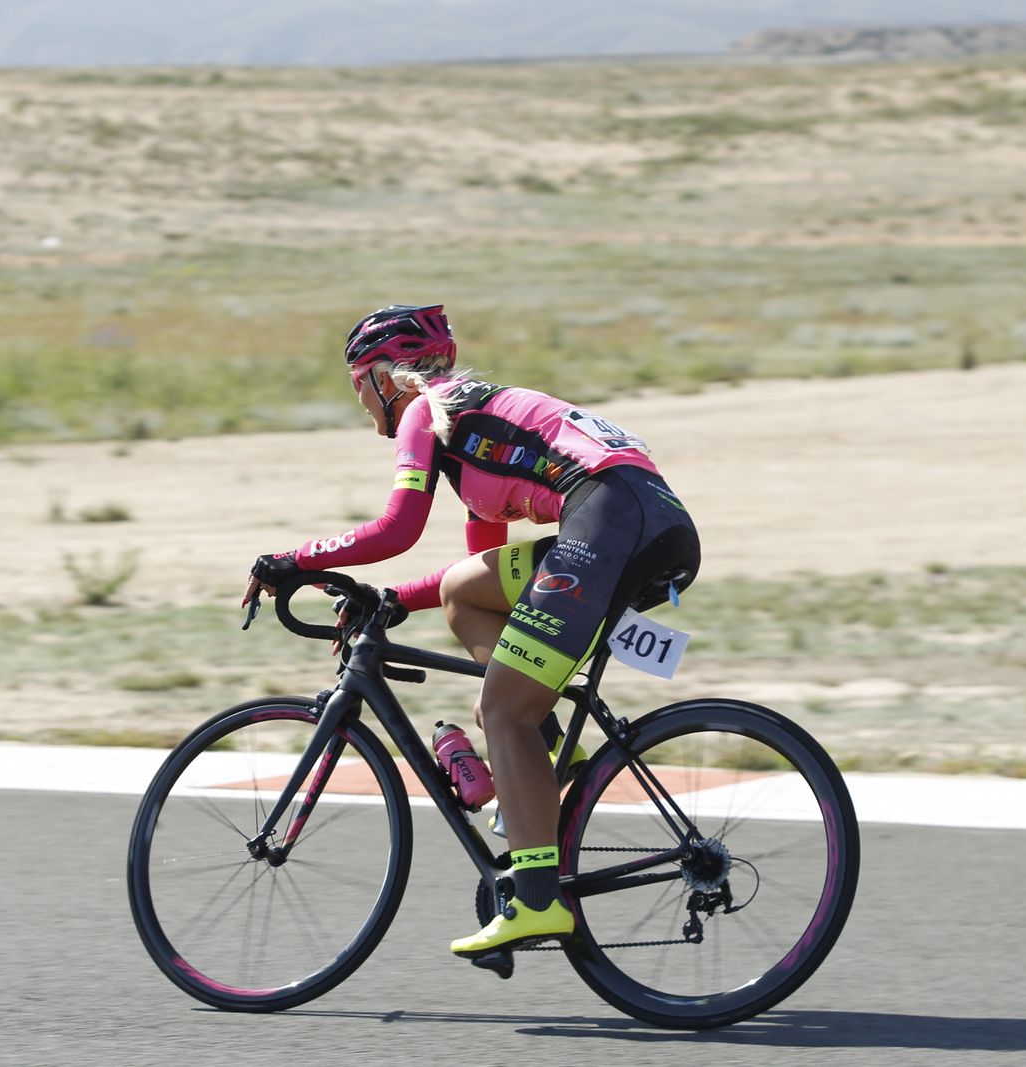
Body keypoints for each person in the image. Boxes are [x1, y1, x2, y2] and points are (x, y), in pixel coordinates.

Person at [243, 304, 700, 959]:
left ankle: (539, 901)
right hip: (641, 523)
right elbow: (472, 573)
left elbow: (396, 527)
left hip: (612, 523)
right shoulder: (470, 423)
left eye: (358, 386)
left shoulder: (426, 412)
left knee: (500, 710)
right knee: (466, 596)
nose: (361, 404)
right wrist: (393, 599)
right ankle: (548, 754)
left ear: (386, 378)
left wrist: (298, 559)